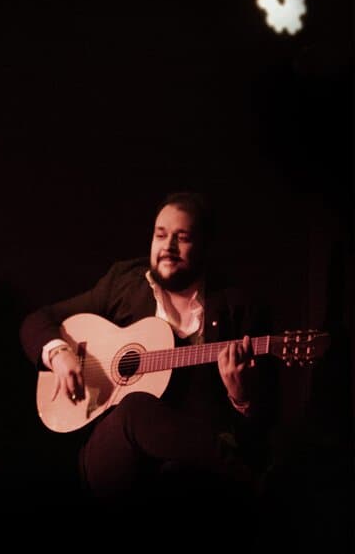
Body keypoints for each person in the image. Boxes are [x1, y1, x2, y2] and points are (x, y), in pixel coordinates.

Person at [19, 192, 276, 516]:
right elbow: (37, 321)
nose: (167, 247)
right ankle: (250, 482)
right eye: (160, 235)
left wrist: (243, 399)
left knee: (179, 481)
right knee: (136, 407)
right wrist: (59, 353)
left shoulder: (238, 310)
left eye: (181, 238)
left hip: (192, 463)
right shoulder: (124, 283)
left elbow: (266, 421)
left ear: (205, 246)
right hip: (113, 455)